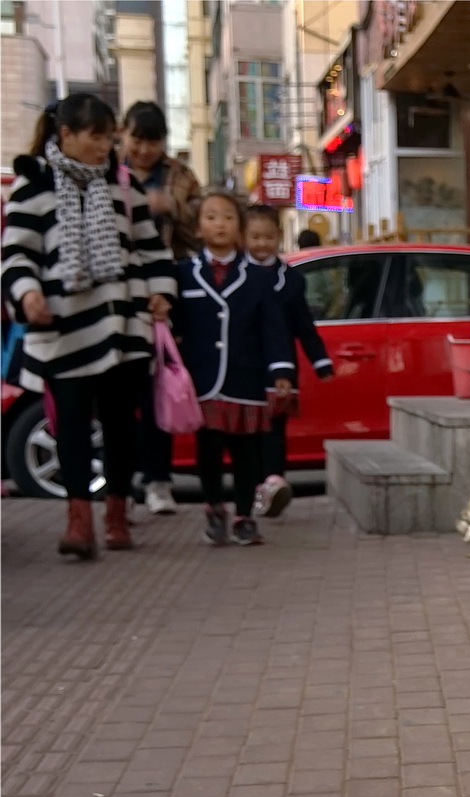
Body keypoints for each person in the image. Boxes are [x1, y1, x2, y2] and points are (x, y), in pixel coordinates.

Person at [0, 95, 176, 558]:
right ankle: (79, 521)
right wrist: (27, 293)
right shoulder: (32, 186)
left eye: (108, 136)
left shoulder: (123, 186)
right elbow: (17, 254)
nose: (105, 145)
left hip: (123, 327)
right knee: (72, 426)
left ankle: (116, 514)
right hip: (63, 329)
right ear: (67, 135)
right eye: (96, 136)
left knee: (121, 426)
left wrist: (161, 292)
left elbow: (151, 249)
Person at [171, 191, 292, 546]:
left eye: (227, 217)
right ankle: (213, 509)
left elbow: (274, 328)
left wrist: (280, 372)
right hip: (203, 379)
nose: (219, 224)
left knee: (246, 453)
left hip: (246, 377)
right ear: (197, 228)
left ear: (239, 229)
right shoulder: (183, 275)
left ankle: (243, 515)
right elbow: (175, 326)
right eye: (211, 217)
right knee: (207, 451)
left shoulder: (257, 277)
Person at [121, 101, 203, 516]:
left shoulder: (180, 176)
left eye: (152, 142)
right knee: (119, 394)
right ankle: (119, 485)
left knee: (159, 390)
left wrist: (172, 207)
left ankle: (157, 481)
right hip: (116, 298)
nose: (143, 150)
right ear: (123, 134)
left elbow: (206, 224)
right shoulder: (106, 171)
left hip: (165, 297)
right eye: (137, 139)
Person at [243, 204, 333, 518]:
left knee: (274, 429)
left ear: (279, 238)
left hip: (280, 368)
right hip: (244, 367)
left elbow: (303, 325)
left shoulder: (292, 281)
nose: (261, 244)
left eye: (268, 237)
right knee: (248, 432)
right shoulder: (235, 276)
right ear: (244, 237)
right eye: (254, 237)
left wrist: (320, 360)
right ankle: (252, 488)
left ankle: (274, 482)